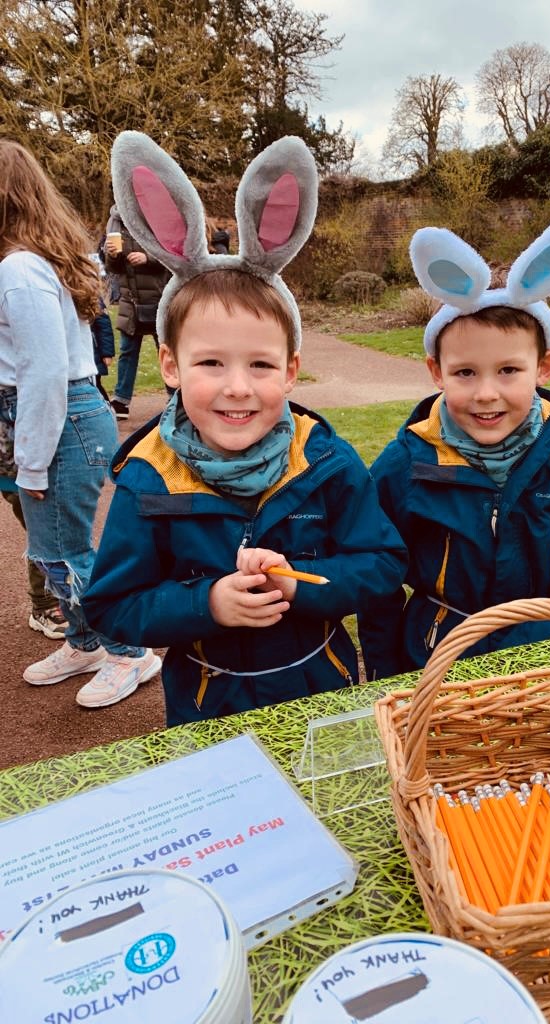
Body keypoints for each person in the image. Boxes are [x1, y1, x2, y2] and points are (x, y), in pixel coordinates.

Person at [83, 131, 407, 726]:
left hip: (321, 697)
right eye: (211, 363)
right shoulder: (149, 480)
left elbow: (383, 564)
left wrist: (302, 585)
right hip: (208, 709)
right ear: (171, 366)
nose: (237, 387)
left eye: (260, 365)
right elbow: (111, 606)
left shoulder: (326, 462)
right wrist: (206, 602)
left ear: (290, 371)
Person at [358, 207, 550, 680]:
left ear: (543, 367)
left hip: (544, 661)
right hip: (434, 661)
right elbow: (377, 572)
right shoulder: (405, 463)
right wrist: (386, 671)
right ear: (436, 371)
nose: (486, 393)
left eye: (508, 370)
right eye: (465, 372)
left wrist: (520, 658)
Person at [0, 140, 161, 707]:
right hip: (56, 416)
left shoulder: (19, 269)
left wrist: (31, 462)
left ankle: (130, 652)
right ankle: (86, 642)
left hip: (59, 418)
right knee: (53, 549)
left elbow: (44, 372)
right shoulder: (29, 262)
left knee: (65, 553)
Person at [102, 204, 170, 418]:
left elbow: (172, 256)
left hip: (159, 298)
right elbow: (113, 268)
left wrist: (147, 258)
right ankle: (121, 400)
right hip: (130, 299)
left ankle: (175, 396)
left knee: (166, 350)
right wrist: (112, 255)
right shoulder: (116, 221)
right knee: (128, 351)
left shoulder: (158, 217)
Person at [1, 488, 66, 638]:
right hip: (22, 479)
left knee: (64, 530)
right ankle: (45, 604)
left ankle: (66, 599)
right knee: (44, 532)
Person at [91, 292, 115, 402]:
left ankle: (107, 408)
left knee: (95, 385)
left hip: (93, 351)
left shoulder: (91, 294)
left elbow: (104, 325)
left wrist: (107, 353)